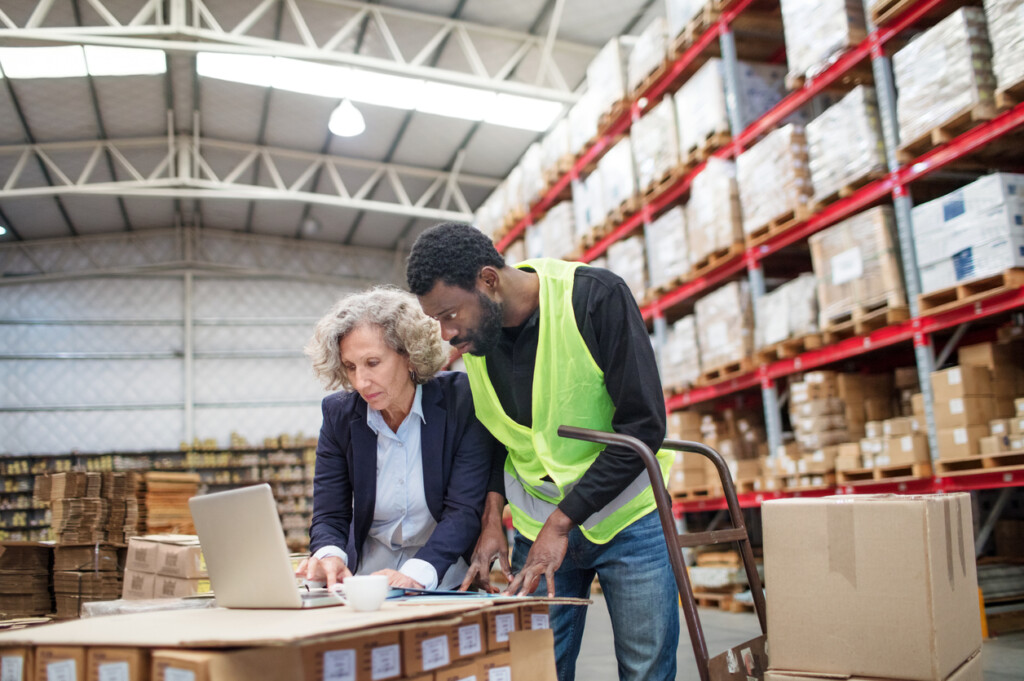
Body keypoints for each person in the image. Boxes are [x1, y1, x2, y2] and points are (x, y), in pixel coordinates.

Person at [406, 222, 679, 681]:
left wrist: (562, 521)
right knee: (537, 669)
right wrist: (492, 517)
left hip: (627, 521)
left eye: (450, 314)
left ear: (488, 280)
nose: (446, 332)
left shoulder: (595, 298)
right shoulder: (479, 340)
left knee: (645, 667)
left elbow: (644, 426)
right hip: (536, 529)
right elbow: (497, 435)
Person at [297, 286, 494, 591]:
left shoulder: (462, 402)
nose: (361, 381)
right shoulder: (339, 416)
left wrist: (417, 574)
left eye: (373, 363)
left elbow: (464, 511)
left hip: (441, 577)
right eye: (350, 366)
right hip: (365, 582)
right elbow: (330, 514)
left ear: (410, 355)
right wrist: (329, 555)